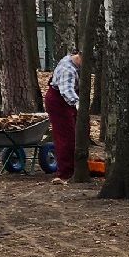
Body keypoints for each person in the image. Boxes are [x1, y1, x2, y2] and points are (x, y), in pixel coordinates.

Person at [46, 51, 80, 180]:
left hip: (63, 101)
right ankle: (66, 172)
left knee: (72, 134)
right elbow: (67, 91)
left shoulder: (69, 59)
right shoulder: (68, 69)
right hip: (59, 102)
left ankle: (73, 166)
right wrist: (77, 104)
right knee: (66, 137)